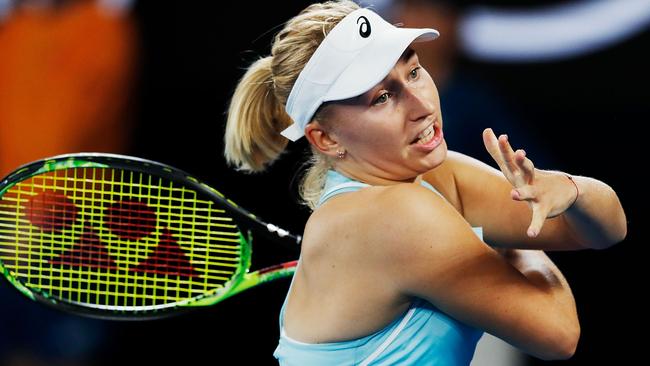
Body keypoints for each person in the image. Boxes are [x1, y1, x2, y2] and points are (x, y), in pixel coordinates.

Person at [223, 1, 627, 364]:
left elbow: (607, 229)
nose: (422, 105)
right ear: (326, 139)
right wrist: (510, 244)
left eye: (414, 71)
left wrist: (570, 191)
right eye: (382, 97)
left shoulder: (430, 173)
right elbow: (558, 336)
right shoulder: (391, 215)